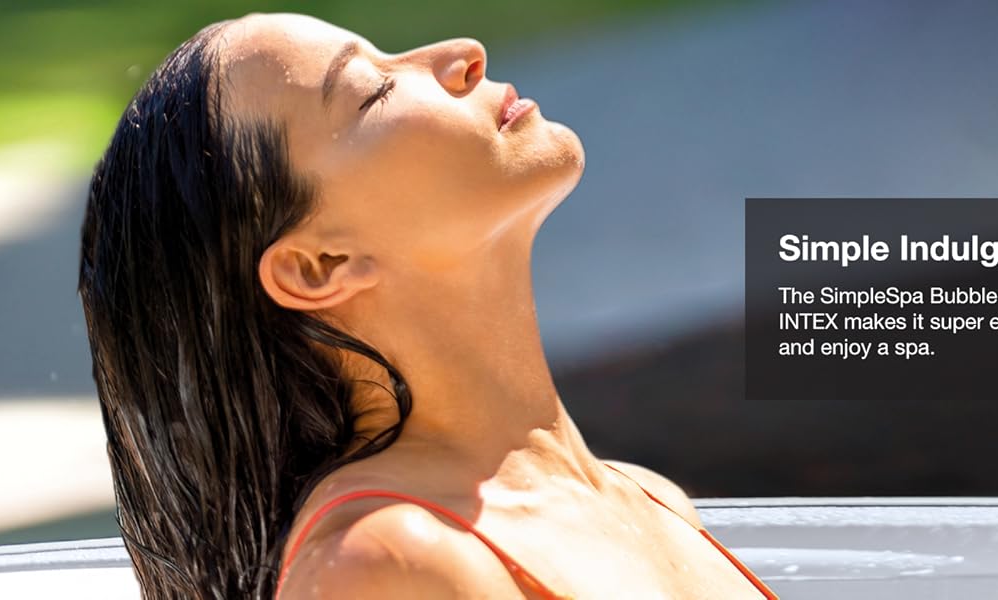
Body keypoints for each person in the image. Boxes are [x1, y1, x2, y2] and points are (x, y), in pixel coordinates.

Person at [78, 12, 777, 599]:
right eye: (373, 91)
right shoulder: (385, 565)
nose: (463, 54)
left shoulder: (651, 501)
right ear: (320, 266)